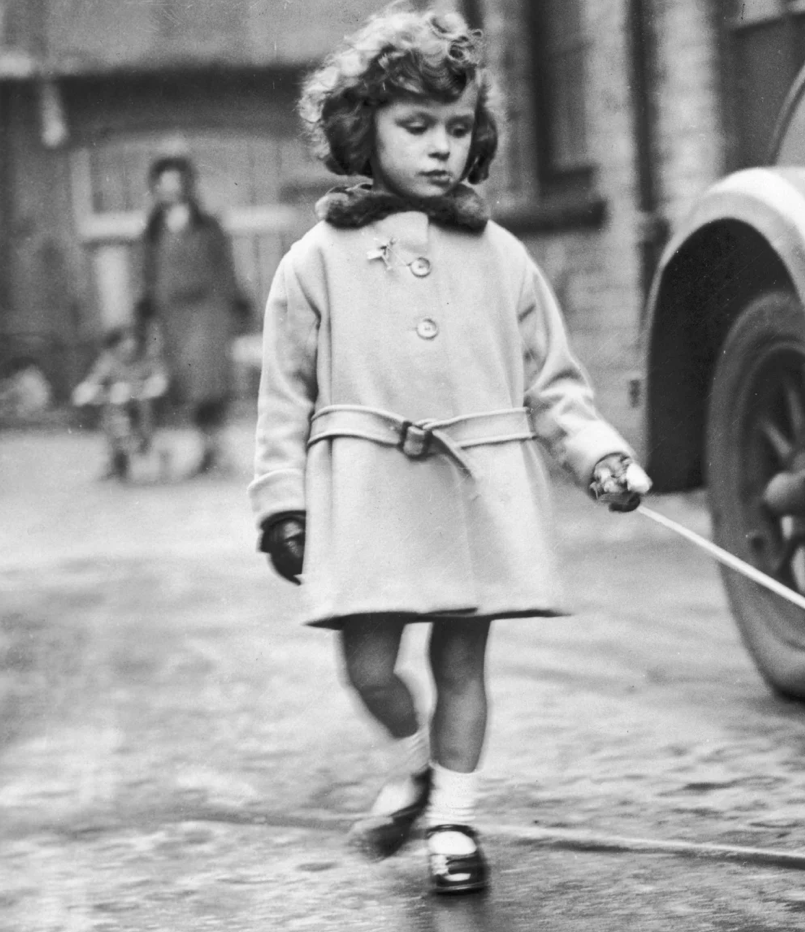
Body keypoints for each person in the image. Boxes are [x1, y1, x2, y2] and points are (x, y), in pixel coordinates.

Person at [249, 6, 651, 896]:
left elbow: (555, 383)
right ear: (364, 129)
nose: (441, 148)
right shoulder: (315, 261)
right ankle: (414, 759)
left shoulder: (502, 256)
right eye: (416, 126)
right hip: (366, 489)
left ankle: (456, 820)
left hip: (479, 487)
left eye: (459, 128)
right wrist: (283, 501)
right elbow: (285, 395)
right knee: (367, 666)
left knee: (462, 661)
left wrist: (599, 459)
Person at [137, 155, 248, 476]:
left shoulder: (208, 225)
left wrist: (235, 310)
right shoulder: (153, 230)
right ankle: (206, 449)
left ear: (187, 185)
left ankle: (215, 449)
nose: (170, 189)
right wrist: (146, 313)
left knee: (211, 384)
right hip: (173, 317)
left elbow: (226, 270)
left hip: (209, 313)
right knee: (186, 385)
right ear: (155, 187)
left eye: (176, 182)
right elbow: (146, 274)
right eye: (163, 183)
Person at [72, 323, 169, 480]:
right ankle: (116, 458)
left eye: (131, 340)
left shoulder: (147, 360)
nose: (128, 345)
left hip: (143, 404)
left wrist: (151, 387)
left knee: (145, 411)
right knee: (112, 416)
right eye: (123, 341)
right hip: (118, 404)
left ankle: (145, 443)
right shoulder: (109, 361)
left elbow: (159, 378)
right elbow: (95, 379)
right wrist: (86, 390)